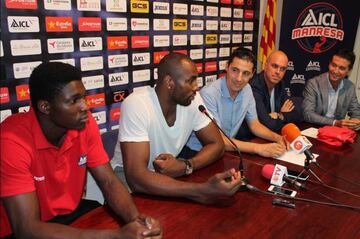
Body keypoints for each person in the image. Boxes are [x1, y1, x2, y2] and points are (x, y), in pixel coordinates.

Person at [0, 62, 161, 239]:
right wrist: (116, 236)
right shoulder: (11, 141)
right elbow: (26, 228)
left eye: (83, 98)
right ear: (45, 107)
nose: (85, 106)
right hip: (23, 230)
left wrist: (136, 222)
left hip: (71, 214)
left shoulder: (84, 123)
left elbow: (108, 181)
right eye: (74, 100)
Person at [112, 52, 241, 205]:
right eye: (190, 81)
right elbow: (136, 178)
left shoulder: (192, 100)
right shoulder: (137, 104)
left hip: (167, 176)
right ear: (169, 82)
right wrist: (201, 191)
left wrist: (186, 165)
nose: (196, 87)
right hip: (127, 178)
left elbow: (217, 145)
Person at [186, 47, 287, 158]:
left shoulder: (247, 89)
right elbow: (218, 140)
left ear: (252, 74)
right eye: (235, 70)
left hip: (226, 151)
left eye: (245, 73)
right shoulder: (209, 94)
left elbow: (255, 125)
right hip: (197, 153)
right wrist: (258, 148)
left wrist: (278, 138)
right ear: (226, 67)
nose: (239, 78)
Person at [303, 49, 360, 130]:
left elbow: (356, 111)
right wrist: (335, 123)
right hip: (314, 129)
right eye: (333, 65)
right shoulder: (313, 84)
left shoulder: (350, 87)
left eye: (342, 68)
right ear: (329, 64)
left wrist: (355, 121)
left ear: (349, 71)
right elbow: (308, 114)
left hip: (336, 133)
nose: (335, 71)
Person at [250, 50, 303, 132]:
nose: (278, 72)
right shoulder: (254, 86)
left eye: (282, 69)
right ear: (265, 65)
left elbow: (298, 113)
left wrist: (279, 115)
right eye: (274, 66)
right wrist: (283, 115)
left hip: (273, 135)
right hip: (253, 139)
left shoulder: (280, 84)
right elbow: (267, 124)